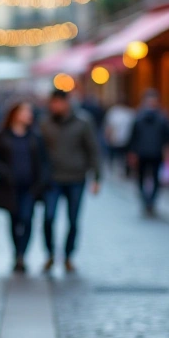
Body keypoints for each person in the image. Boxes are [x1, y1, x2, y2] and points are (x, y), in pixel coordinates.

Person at [38, 89, 102, 273]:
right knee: (48, 217)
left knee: (73, 220)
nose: (55, 106)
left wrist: (97, 177)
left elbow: (93, 150)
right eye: (53, 102)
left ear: (67, 103)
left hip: (76, 178)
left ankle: (68, 256)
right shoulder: (45, 123)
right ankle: (50, 253)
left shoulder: (83, 122)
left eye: (58, 102)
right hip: (52, 179)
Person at [0, 102, 47, 272]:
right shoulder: (2, 134)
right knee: (14, 219)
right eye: (25, 112)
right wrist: (5, 173)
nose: (29, 115)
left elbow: (42, 160)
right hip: (10, 186)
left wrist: (41, 180)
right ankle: (16, 252)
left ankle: (23, 254)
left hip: (30, 185)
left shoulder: (35, 136)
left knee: (27, 218)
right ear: (15, 114)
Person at [127, 89, 169, 216]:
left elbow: (133, 136)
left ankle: (147, 200)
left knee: (144, 178)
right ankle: (149, 200)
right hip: (154, 152)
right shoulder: (162, 117)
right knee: (153, 178)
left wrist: (132, 151)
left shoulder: (139, 116)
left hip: (145, 152)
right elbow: (168, 136)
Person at [103, 100, 135, 177]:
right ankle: (119, 170)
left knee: (118, 156)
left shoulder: (115, 112)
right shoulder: (129, 112)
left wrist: (108, 136)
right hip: (122, 139)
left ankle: (118, 170)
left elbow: (109, 126)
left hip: (120, 139)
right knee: (119, 156)